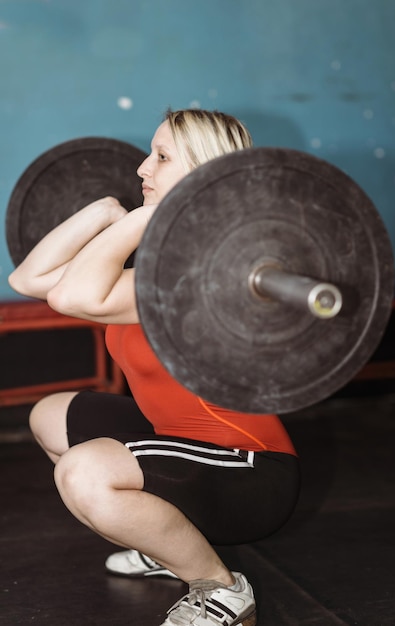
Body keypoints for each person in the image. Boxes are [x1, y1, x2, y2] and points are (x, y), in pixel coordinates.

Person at [8, 109, 300, 626]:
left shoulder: (205, 272)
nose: (143, 167)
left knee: (85, 474)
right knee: (51, 415)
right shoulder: (167, 258)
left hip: (249, 470)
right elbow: (29, 281)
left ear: (201, 176)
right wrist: (101, 212)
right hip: (183, 443)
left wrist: (144, 216)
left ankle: (222, 589)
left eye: (162, 158)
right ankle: (165, 541)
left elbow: (76, 294)